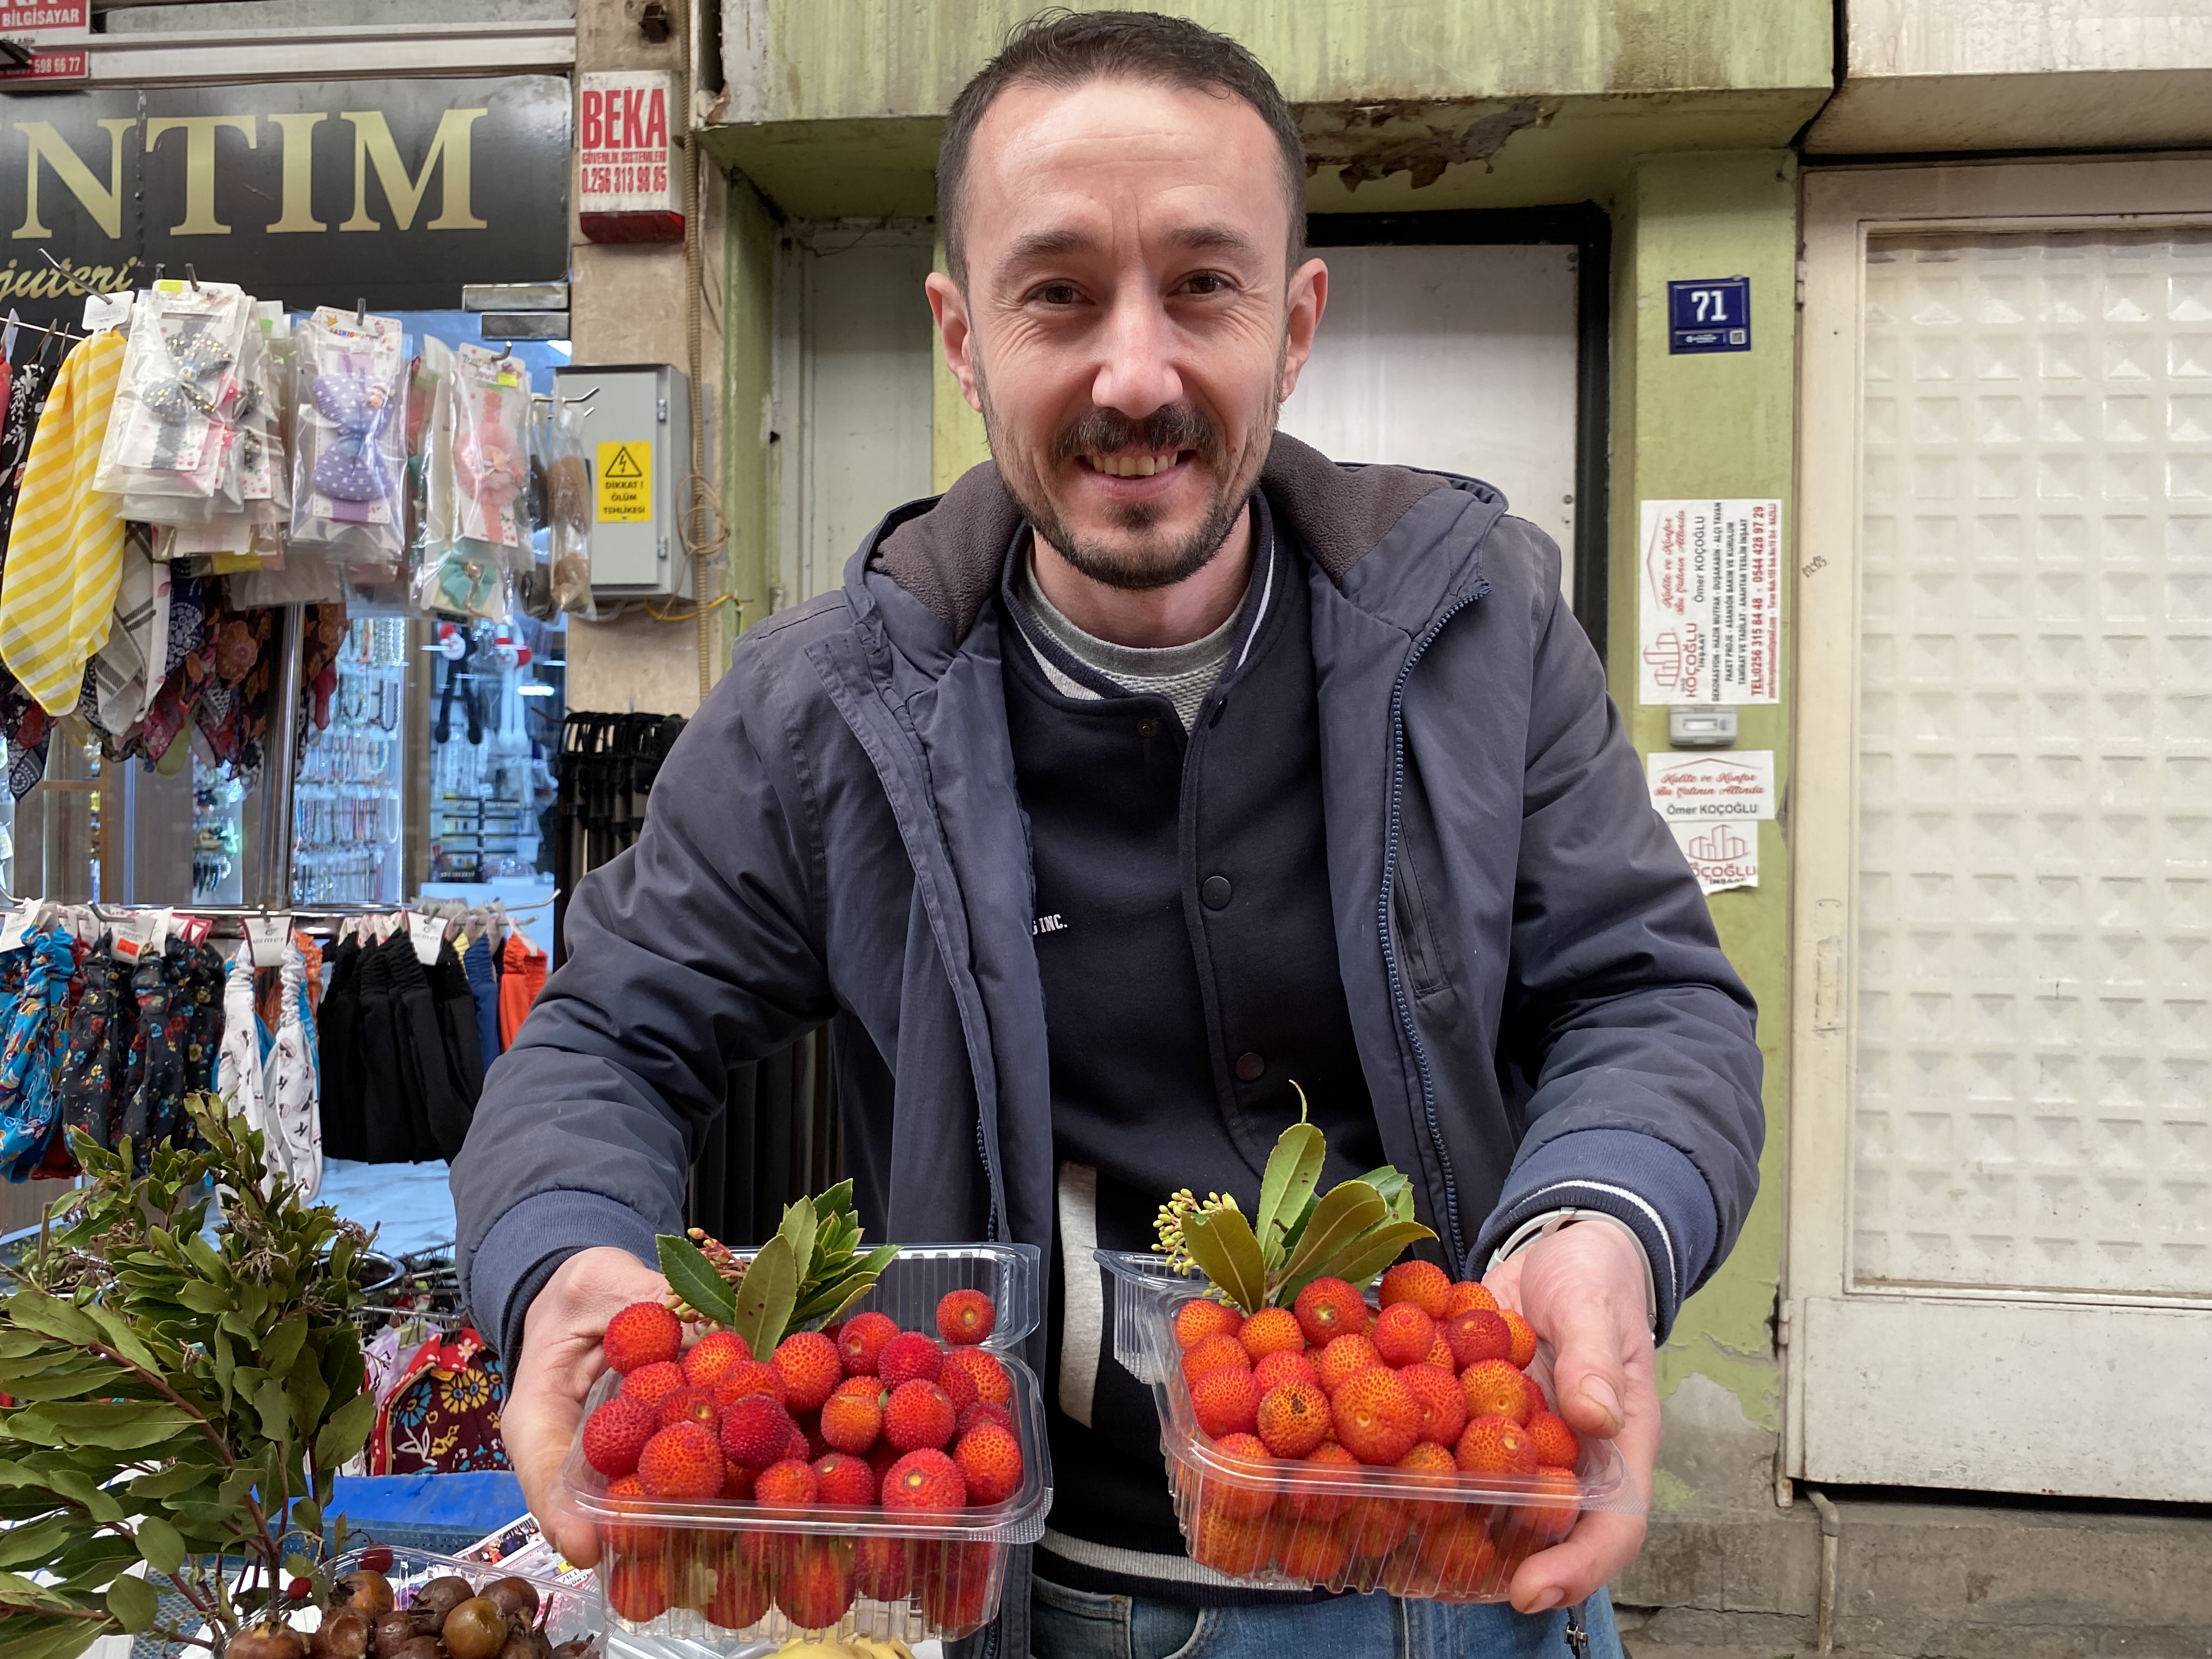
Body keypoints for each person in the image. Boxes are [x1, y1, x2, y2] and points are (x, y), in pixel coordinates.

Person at [452, 12, 1763, 1656]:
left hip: (1475, 1563)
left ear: (1296, 326)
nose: (1134, 374)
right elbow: (601, 1041)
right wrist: (564, 1253)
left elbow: (1650, 998)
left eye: (1203, 287)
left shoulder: (1477, 626)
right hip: (1058, 1602)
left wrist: (1603, 1222)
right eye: (1058, 291)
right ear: (962, 332)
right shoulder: (823, 709)